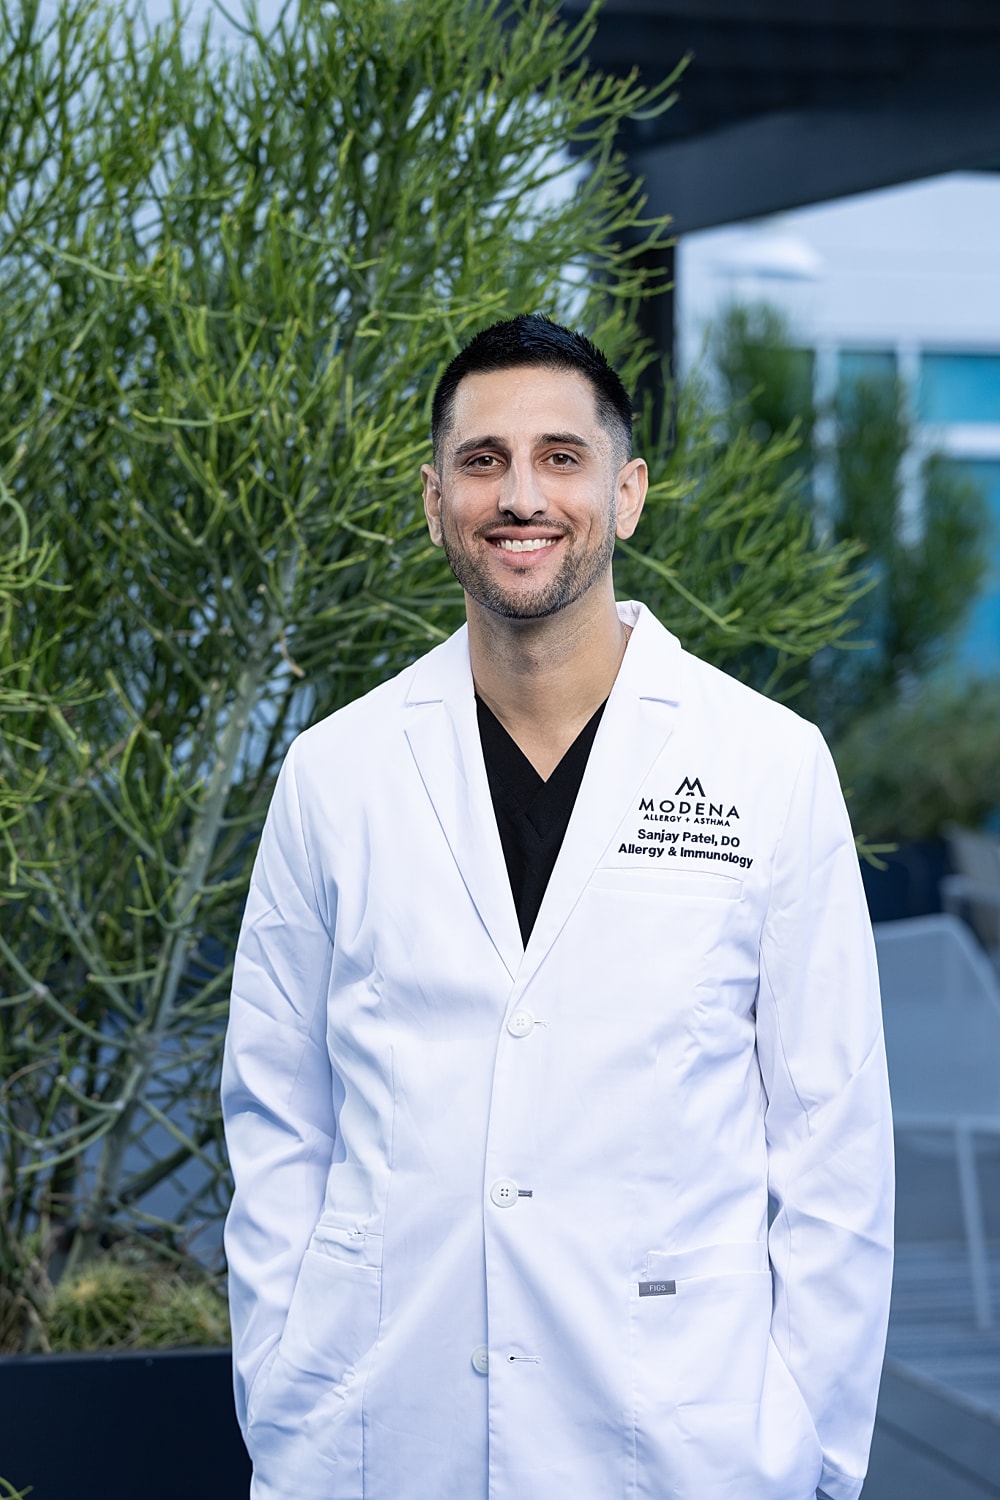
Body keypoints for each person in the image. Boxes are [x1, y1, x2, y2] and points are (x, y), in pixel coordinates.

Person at [222, 314, 894, 1500]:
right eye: (482, 461)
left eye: (561, 458)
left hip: (683, 1441)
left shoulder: (767, 766)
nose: (521, 495)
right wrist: (281, 1394)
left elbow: (829, 1142)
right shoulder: (335, 774)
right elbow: (278, 1115)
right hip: (383, 1430)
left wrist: (812, 1452)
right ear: (435, 501)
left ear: (626, 495)